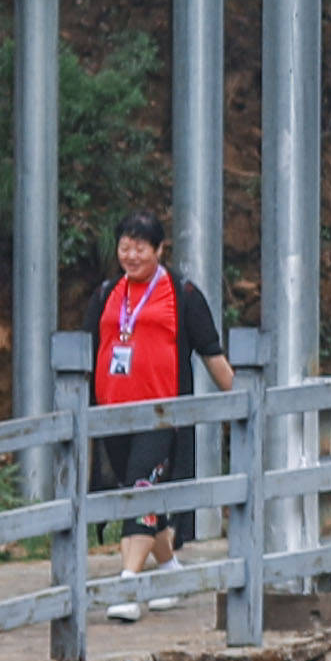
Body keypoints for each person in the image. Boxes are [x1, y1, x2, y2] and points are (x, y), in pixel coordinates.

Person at [87, 211, 226, 564]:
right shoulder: (107, 294)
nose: (131, 256)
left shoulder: (182, 293)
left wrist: (245, 403)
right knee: (136, 493)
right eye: (124, 247)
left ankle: (129, 583)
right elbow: (85, 353)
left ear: (159, 249)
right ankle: (169, 570)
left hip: (161, 415)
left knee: (141, 490)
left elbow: (212, 355)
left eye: (140, 248)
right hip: (113, 414)